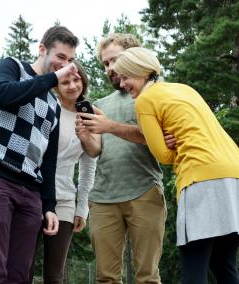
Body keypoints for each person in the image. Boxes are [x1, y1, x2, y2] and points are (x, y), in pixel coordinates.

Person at [113, 47, 239, 284]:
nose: (122, 84)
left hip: (203, 179)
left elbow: (162, 155)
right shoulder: (184, 89)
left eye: (125, 77)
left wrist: (166, 144)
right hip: (238, 175)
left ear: (141, 72)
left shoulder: (145, 101)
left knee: (194, 268)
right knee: (224, 265)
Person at [0, 25, 81, 284]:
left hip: (30, 193)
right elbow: (2, 95)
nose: (66, 65)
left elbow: (48, 161)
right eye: (60, 57)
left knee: (18, 276)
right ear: (42, 49)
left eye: (70, 61)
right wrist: (52, 78)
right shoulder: (13, 67)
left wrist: (49, 206)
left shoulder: (53, 105)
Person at [76, 33, 167, 283]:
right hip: (103, 198)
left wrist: (109, 125)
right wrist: (85, 135)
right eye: (105, 64)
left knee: (147, 277)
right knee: (105, 278)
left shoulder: (153, 95)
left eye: (114, 60)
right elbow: (94, 151)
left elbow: (158, 139)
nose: (110, 69)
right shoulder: (100, 103)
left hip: (144, 192)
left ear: (134, 56)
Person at [42, 60, 100, 283]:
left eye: (77, 80)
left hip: (65, 199)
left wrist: (82, 207)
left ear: (83, 81)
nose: (72, 85)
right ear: (56, 85)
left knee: (54, 274)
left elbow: (88, 166)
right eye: (65, 81)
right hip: (33, 194)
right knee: (22, 268)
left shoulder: (90, 116)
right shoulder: (47, 109)